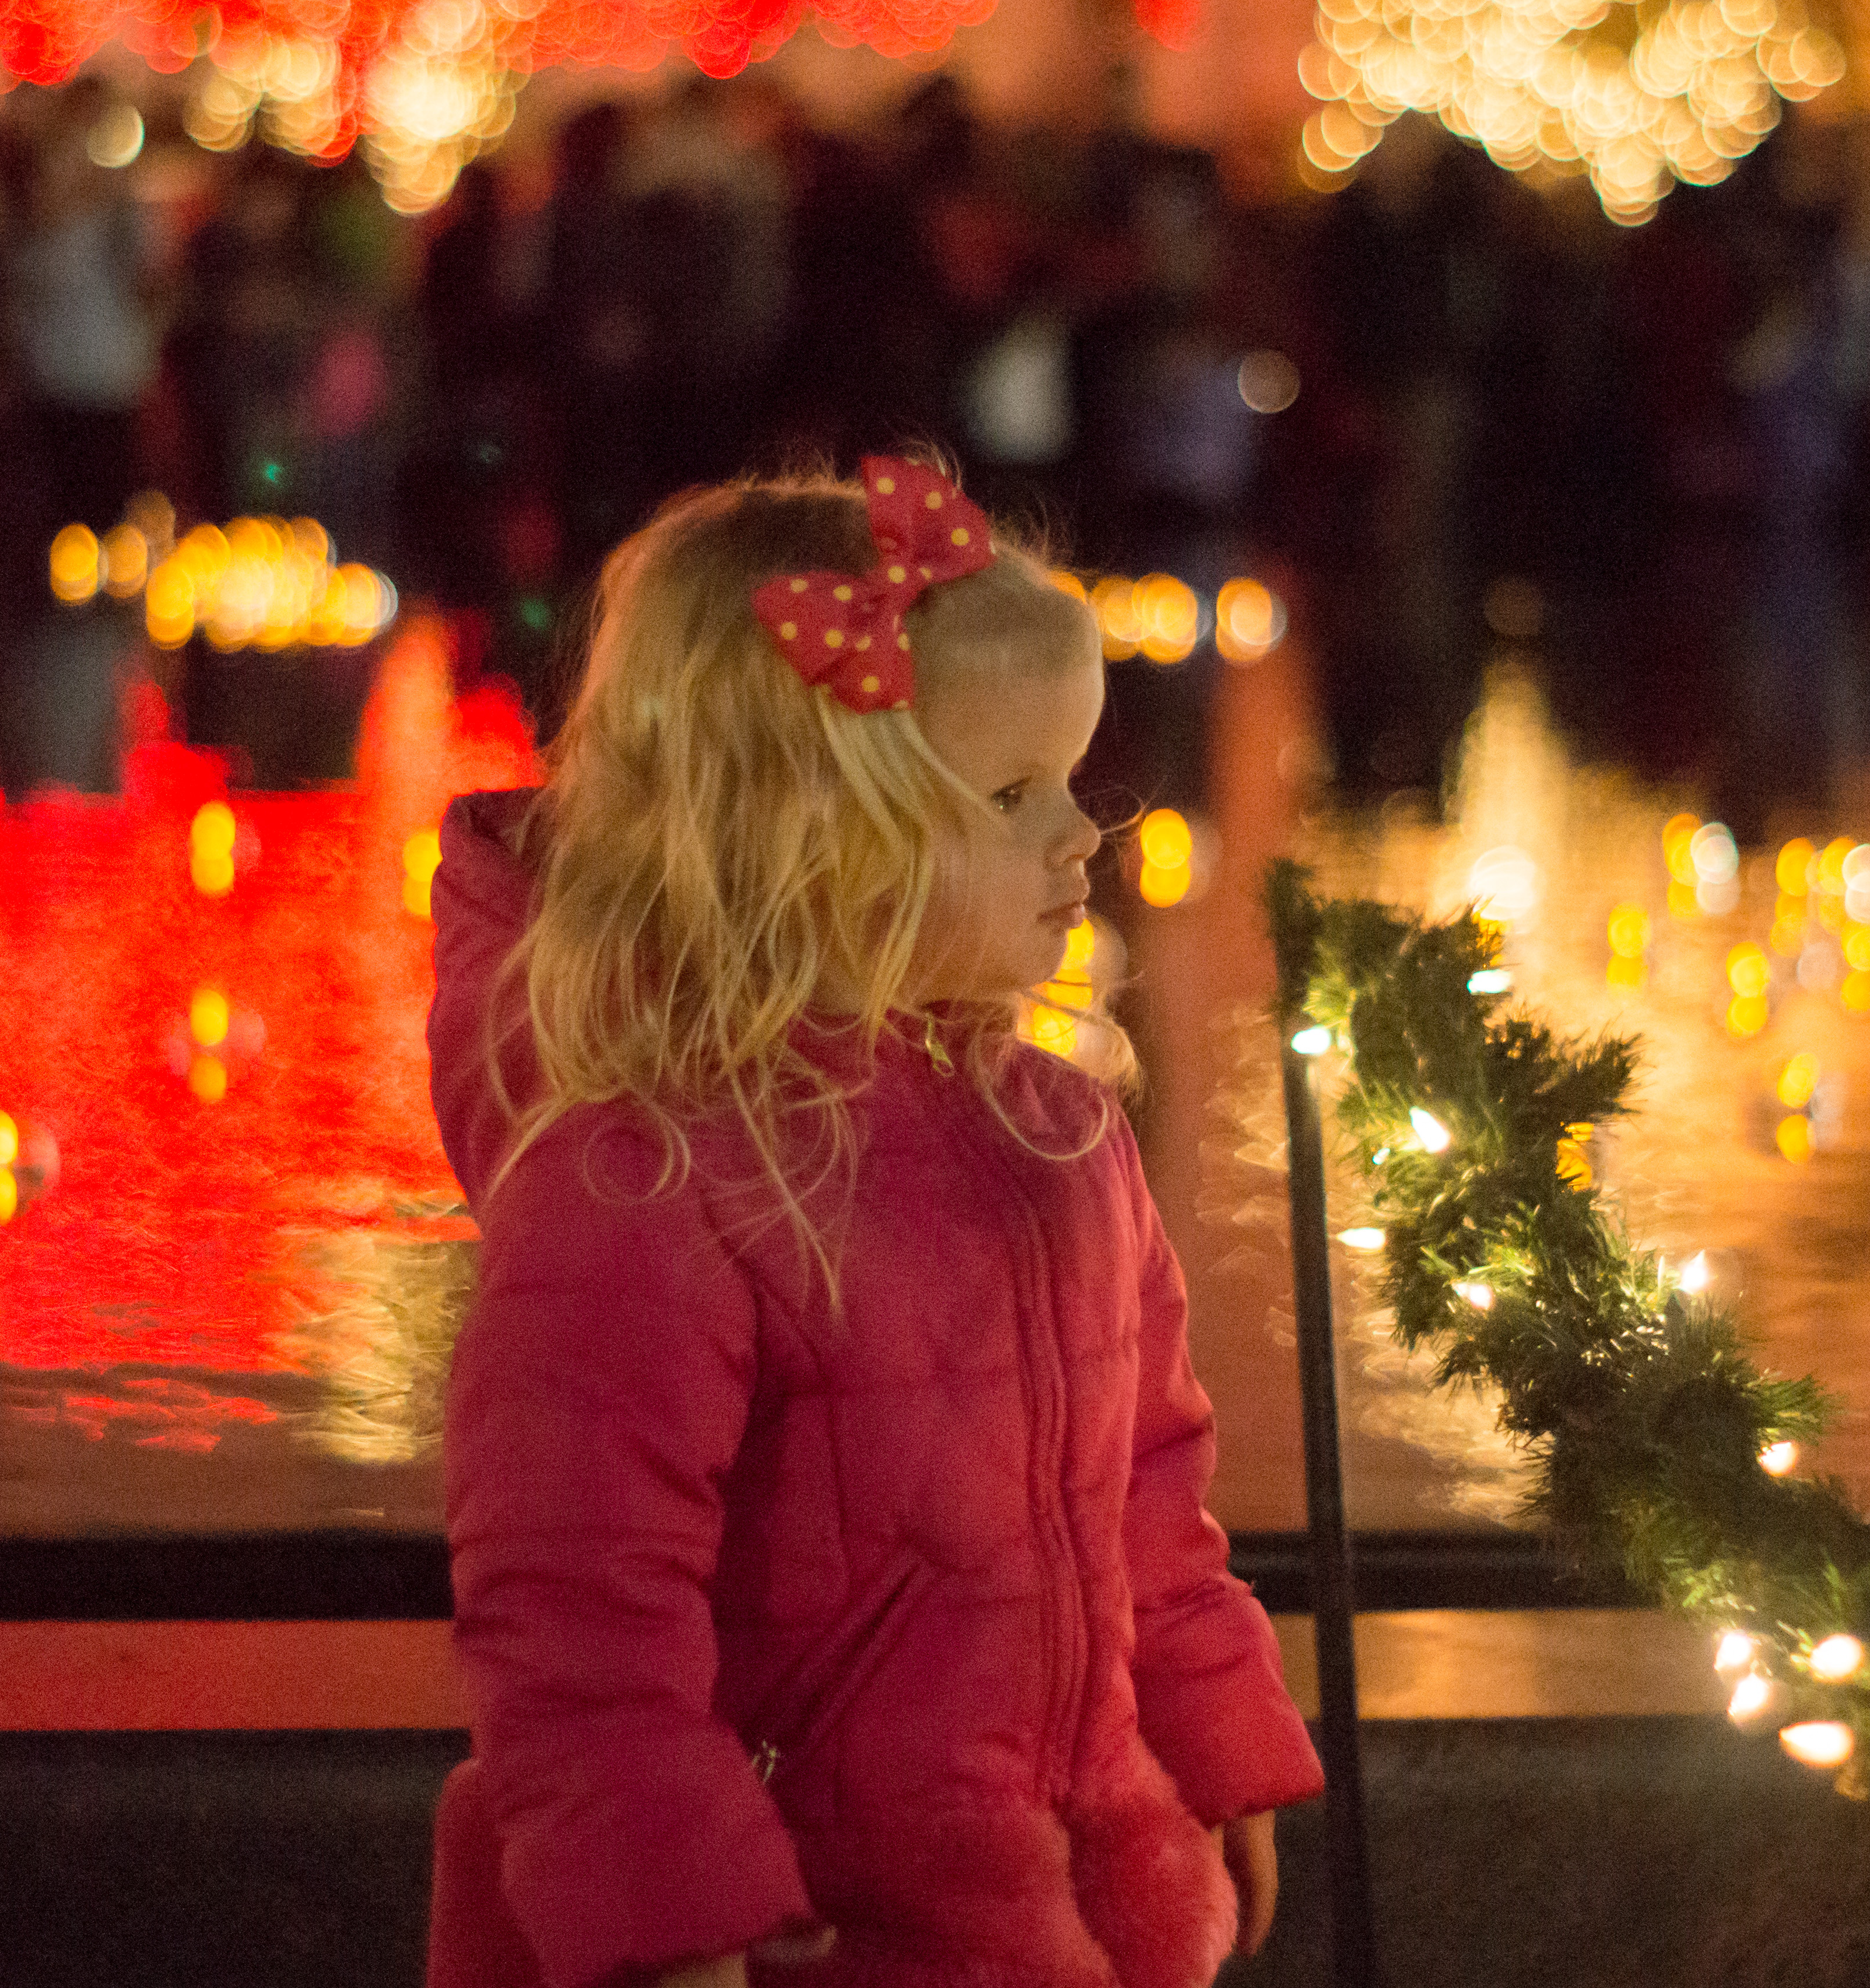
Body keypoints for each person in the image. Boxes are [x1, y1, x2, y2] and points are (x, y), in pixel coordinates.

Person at [424, 458, 1320, 1988]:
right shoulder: (645, 1183)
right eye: (1007, 795)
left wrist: (1211, 1735)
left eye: (1073, 781)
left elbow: (1146, 1489)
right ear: (808, 827)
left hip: (1052, 1899)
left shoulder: (1060, 1132)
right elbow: (583, 1626)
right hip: (810, 1930)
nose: (1080, 837)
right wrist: (674, 1924)